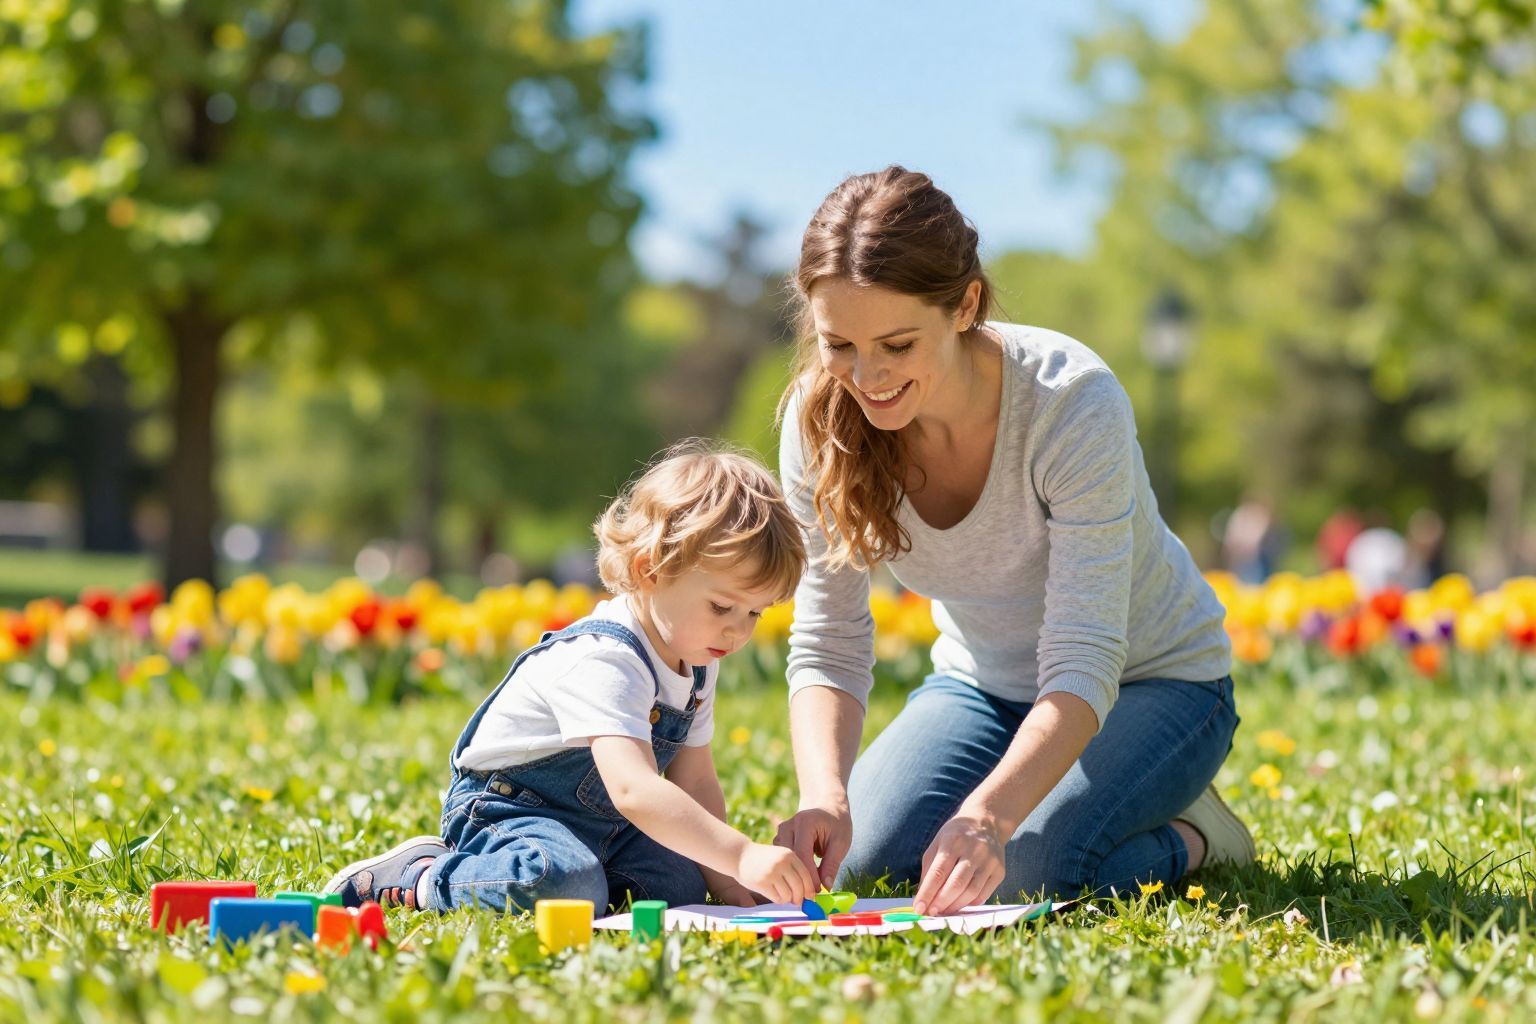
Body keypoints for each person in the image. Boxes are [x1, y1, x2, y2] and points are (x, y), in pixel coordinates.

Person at [771, 167, 1254, 917]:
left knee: (1026, 869)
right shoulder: (819, 421)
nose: (867, 377)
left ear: (964, 305)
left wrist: (988, 818)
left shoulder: (1071, 403)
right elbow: (829, 637)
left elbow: (1087, 654)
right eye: (839, 343)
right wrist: (823, 793)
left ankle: (1198, 835)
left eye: (897, 343)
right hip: (985, 686)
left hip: (1154, 683)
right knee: (865, 861)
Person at [322, 443, 818, 912]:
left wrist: (731, 882)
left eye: (755, 613)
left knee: (679, 883)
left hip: (610, 827)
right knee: (564, 883)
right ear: (650, 570)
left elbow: (696, 780)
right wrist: (741, 854)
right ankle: (421, 877)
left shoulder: (697, 663)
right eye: (722, 606)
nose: (738, 631)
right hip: (510, 810)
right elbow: (634, 789)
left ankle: (591, 878)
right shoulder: (608, 658)